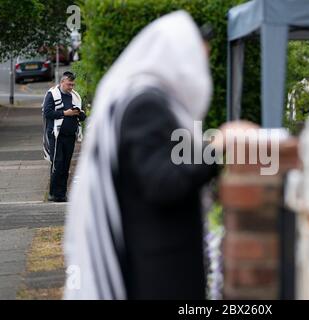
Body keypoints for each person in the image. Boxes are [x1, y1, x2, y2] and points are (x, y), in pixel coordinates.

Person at [64, 11, 252, 300]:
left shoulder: (145, 99)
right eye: (197, 57)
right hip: (156, 273)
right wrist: (218, 145)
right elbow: (162, 182)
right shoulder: (146, 106)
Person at [43, 71, 86, 202]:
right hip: (56, 135)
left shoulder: (75, 96)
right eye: (69, 84)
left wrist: (78, 113)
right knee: (58, 163)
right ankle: (53, 193)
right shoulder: (52, 94)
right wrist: (65, 113)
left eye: (73, 85)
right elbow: (48, 113)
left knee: (66, 165)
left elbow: (83, 116)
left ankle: (62, 194)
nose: (71, 87)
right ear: (62, 82)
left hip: (70, 135)